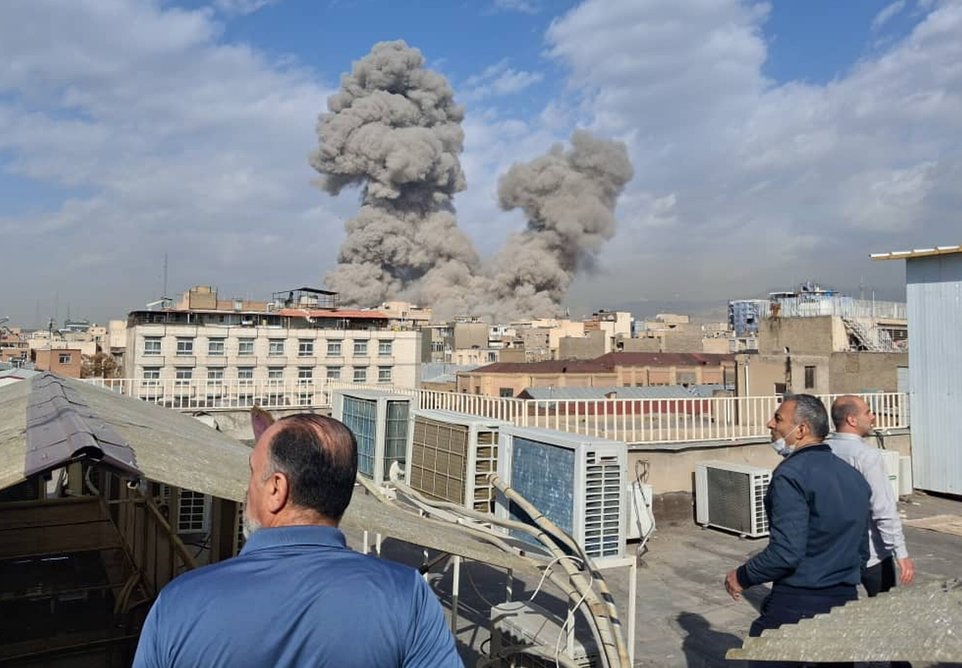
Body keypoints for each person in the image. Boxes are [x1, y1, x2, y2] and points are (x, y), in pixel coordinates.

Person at [133, 412, 463, 668]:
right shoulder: (406, 597)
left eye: (252, 472)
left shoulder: (181, 603)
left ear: (277, 489)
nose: (247, 488)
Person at [725, 394, 871, 642]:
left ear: (801, 429)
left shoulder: (791, 476)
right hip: (844, 602)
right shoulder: (853, 476)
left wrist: (741, 576)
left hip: (800, 602)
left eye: (778, 418)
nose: (770, 424)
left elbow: (785, 553)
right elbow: (862, 551)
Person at [827, 395, 915, 596]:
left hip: (833, 552)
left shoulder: (824, 450)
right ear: (852, 420)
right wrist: (900, 552)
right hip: (871, 553)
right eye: (868, 412)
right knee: (885, 613)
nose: (873, 417)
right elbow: (882, 508)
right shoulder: (866, 455)